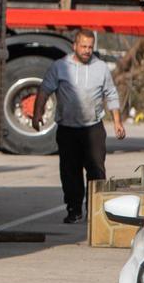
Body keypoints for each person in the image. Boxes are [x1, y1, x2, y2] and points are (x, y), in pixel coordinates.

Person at [33, 28, 125, 225]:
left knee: (96, 170)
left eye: (90, 47)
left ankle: (94, 211)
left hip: (93, 128)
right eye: (83, 46)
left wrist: (117, 122)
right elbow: (44, 90)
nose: (87, 51)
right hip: (68, 129)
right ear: (74, 46)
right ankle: (74, 209)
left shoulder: (100, 68)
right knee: (70, 171)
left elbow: (111, 94)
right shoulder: (60, 67)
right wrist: (37, 113)